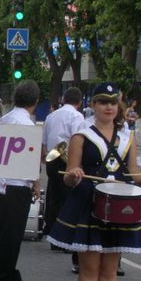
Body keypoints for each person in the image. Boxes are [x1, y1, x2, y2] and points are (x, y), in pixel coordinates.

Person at [47, 83, 141, 281]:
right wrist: (73, 175)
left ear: (118, 107)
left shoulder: (127, 137)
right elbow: (70, 175)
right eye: (102, 102)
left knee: (109, 270)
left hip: (118, 206)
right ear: (92, 105)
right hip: (89, 204)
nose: (108, 107)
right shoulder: (81, 136)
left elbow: (132, 173)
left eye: (112, 103)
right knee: (90, 269)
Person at [0, 80, 40, 281]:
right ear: (35, 101)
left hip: (3, 183)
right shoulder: (27, 125)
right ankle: (2, 277)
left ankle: (9, 272)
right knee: (12, 234)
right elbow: (30, 158)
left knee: (7, 232)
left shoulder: (5, 119)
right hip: (17, 184)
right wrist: (36, 182)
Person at [42, 87, 85, 271]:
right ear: (79, 102)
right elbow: (78, 139)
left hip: (53, 157)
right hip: (67, 158)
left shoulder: (52, 115)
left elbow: (44, 141)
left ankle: (53, 236)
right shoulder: (77, 117)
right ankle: (65, 237)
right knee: (69, 199)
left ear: (63, 99)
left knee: (54, 196)